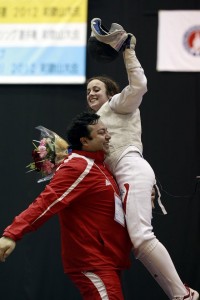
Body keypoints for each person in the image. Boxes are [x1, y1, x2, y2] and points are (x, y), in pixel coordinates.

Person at [86, 20, 199, 300]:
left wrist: (128, 50)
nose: (91, 93)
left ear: (110, 93)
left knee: (142, 237)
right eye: (88, 90)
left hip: (132, 169)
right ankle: (181, 295)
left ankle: (183, 295)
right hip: (124, 179)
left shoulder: (117, 104)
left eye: (96, 89)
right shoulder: (96, 122)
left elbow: (139, 85)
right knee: (137, 244)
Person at [0, 112, 132, 300]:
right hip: (93, 261)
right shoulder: (78, 166)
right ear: (85, 141)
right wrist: (11, 234)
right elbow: (46, 202)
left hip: (107, 260)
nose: (108, 136)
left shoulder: (100, 166)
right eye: (102, 132)